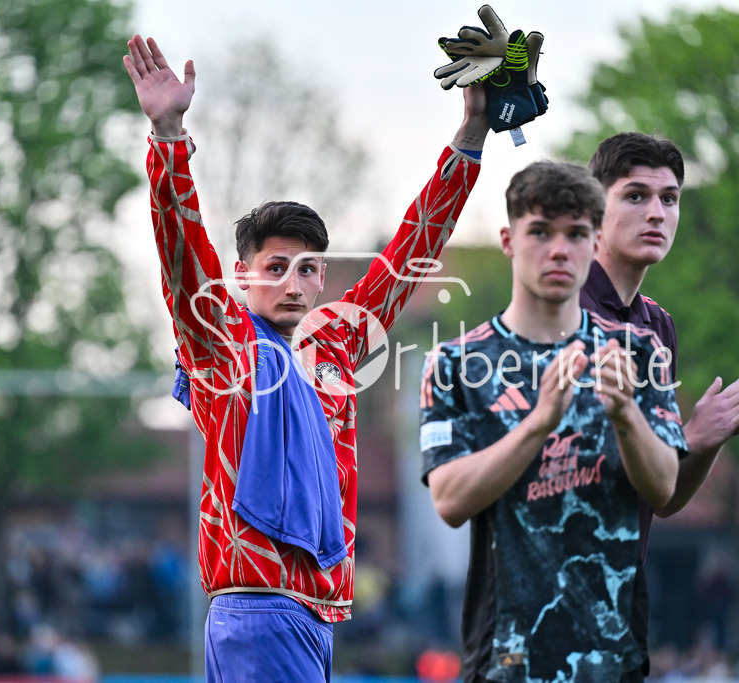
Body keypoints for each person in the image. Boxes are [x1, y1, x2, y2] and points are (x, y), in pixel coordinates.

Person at [122, 34, 490, 681]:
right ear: (241, 275)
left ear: (324, 279)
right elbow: (182, 253)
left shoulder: (337, 346)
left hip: (310, 616)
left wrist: (473, 131)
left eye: (309, 267)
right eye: (276, 266)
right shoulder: (223, 343)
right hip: (258, 607)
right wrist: (170, 138)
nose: (293, 282)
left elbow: (409, 253)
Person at [420, 159, 689, 681]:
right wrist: (538, 423)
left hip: (613, 658)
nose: (559, 249)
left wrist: (626, 414)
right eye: (540, 232)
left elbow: (663, 489)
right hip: (504, 658)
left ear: (594, 244)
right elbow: (450, 501)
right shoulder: (455, 363)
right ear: (508, 240)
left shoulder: (639, 351)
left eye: (576, 233)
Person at [581, 131, 739, 677]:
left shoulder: (658, 326)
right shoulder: (560, 305)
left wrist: (711, 438)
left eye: (669, 199)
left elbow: (666, 494)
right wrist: (687, 437)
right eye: (635, 195)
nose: (656, 212)